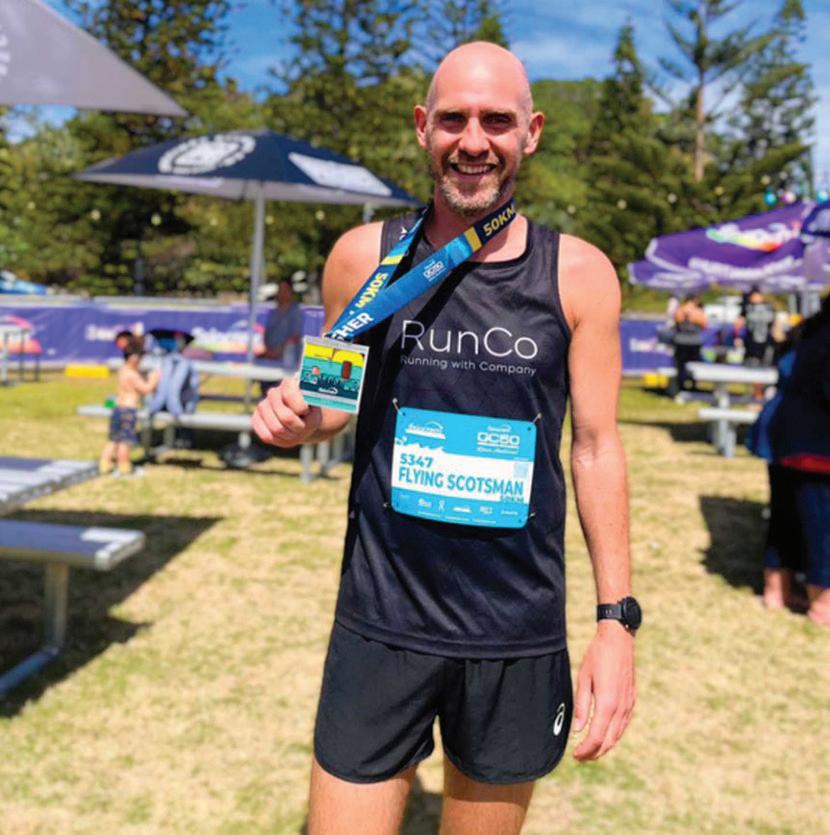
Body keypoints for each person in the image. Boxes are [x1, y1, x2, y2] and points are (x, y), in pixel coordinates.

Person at [253, 42, 638, 835]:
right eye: (454, 119)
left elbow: (597, 446)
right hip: (381, 619)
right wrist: (298, 418)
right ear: (422, 127)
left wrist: (615, 621)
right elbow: (331, 403)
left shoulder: (580, 275)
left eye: (496, 121)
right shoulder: (363, 258)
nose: (473, 141)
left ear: (531, 132)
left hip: (514, 630)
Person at [749, 295, 830, 627]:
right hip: (814, 440)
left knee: (785, 514)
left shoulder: (810, 329)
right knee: (821, 521)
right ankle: (822, 603)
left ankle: (777, 589)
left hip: (782, 432)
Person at [99, 335, 160, 477]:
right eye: (140, 358)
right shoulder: (133, 375)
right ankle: (124, 467)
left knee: (113, 439)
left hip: (117, 409)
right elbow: (146, 389)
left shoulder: (123, 370)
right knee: (125, 441)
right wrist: (154, 379)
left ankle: (104, 464)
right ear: (134, 359)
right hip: (128, 410)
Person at [671, 293, 707, 398]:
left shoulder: (679, 310)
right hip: (694, 342)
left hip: (680, 341)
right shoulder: (698, 312)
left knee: (680, 366)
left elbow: (675, 323)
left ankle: (681, 386)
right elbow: (705, 325)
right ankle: (693, 386)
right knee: (694, 366)